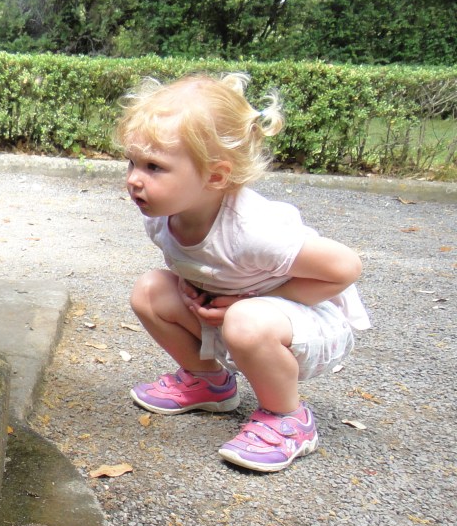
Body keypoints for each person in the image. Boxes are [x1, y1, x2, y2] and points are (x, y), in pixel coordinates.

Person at [120, 73, 370, 473]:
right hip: (235, 317)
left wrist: (250, 302)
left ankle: (288, 418)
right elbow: (202, 263)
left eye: (154, 166)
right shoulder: (162, 216)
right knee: (150, 290)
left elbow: (345, 269)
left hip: (307, 325)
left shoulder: (253, 230)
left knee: (246, 321)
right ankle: (209, 383)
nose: (134, 178)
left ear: (216, 176)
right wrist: (192, 287)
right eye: (131, 161)